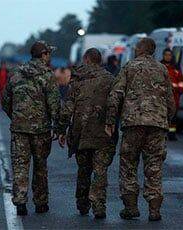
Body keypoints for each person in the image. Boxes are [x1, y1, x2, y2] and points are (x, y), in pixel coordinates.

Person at [105, 38, 175, 221]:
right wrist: (166, 120)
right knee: (154, 166)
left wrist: (111, 121)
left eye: (137, 47)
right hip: (157, 125)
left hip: (133, 124)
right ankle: (154, 209)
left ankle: (130, 207)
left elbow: (116, 95)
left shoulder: (129, 67)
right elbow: (170, 100)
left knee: (128, 164)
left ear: (142, 49)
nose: (135, 49)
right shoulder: (162, 69)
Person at [1, 41, 60, 216]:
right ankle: (41, 203)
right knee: (41, 166)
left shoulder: (16, 73)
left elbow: (5, 101)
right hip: (41, 130)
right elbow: (54, 104)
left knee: (20, 165)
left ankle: (20, 202)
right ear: (43, 55)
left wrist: (17, 117)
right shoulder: (47, 75)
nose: (50, 56)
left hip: (19, 129)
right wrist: (58, 126)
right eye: (49, 53)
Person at [58, 48, 115, 219]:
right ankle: (98, 205)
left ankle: (82, 203)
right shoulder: (110, 79)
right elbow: (115, 104)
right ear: (100, 60)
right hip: (103, 133)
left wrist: (61, 129)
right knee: (100, 170)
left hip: (80, 133)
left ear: (86, 59)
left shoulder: (78, 80)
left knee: (83, 169)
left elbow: (68, 107)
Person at [160, 48, 183, 141]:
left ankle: (172, 134)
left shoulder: (176, 68)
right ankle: (162, 135)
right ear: (163, 55)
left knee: (173, 118)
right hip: (162, 97)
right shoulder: (159, 66)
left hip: (174, 98)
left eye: (169, 55)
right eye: (166, 55)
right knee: (162, 117)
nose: (167, 57)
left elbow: (181, 81)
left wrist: (180, 89)